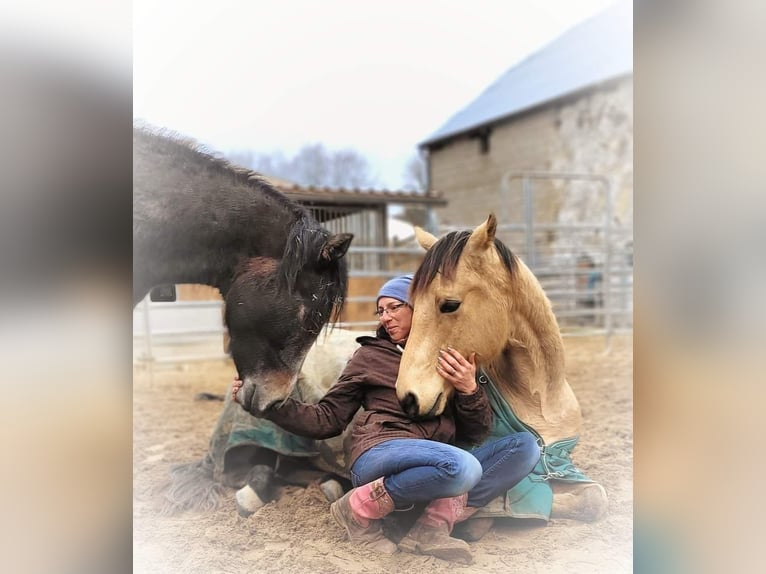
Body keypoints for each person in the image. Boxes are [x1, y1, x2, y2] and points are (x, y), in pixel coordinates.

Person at [232, 274, 540, 564]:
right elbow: (327, 418)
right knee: (463, 466)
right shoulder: (370, 356)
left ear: (418, 310)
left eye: (394, 307)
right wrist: (269, 406)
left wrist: (469, 389)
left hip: (434, 460)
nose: (385, 317)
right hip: (381, 452)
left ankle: (430, 526)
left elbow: (475, 431)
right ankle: (358, 508)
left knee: (525, 446)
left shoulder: (448, 357)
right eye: (381, 311)